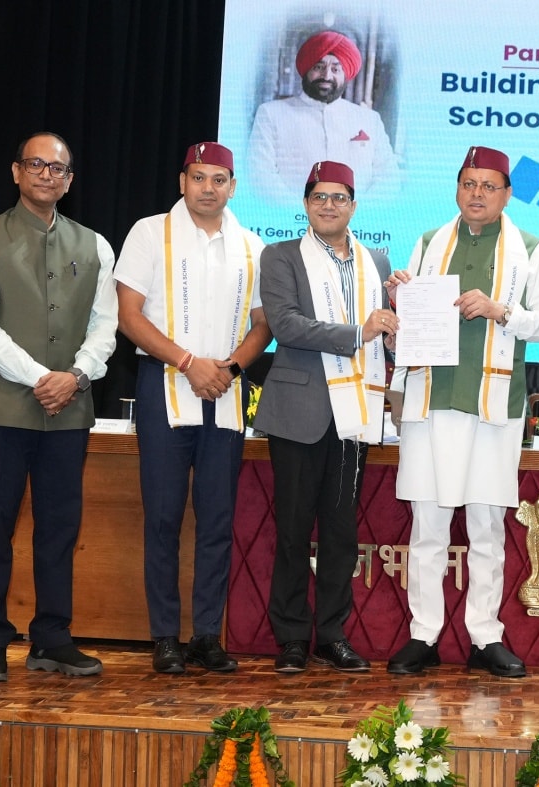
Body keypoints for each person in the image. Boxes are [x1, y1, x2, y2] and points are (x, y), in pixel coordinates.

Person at [0, 132, 118, 681]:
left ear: (69, 181)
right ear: (16, 172)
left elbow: (106, 326)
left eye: (57, 168)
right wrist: (42, 377)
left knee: (59, 530)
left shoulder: (95, 245)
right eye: (36, 164)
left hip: (69, 410)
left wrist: (75, 376)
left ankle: (52, 639)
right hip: (3, 409)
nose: (47, 174)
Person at [386, 145, 539, 678]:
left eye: (488, 186)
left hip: (492, 406)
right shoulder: (427, 243)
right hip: (432, 400)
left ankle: (485, 636)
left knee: (486, 527)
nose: (477, 194)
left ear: (507, 194)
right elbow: (410, 322)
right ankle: (424, 634)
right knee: (428, 527)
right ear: (456, 189)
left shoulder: (532, 250)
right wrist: (399, 303)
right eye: (468, 184)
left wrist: (500, 310)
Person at [115, 142, 271, 675]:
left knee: (217, 518)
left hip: (225, 392)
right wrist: (188, 362)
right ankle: (165, 636)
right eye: (199, 177)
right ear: (182, 181)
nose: (208, 187)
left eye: (219, 179)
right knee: (163, 516)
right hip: (164, 386)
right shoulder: (149, 232)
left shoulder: (251, 245)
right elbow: (129, 316)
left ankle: (207, 635)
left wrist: (229, 367)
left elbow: (263, 324)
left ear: (233, 186)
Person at [255, 160, 396, 674]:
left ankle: (332, 634)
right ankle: (292, 637)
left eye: (339, 197)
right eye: (319, 197)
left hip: (354, 413)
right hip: (301, 413)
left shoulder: (377, 261)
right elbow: (286, 326)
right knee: (293, 531)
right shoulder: (280, 256)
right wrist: (361, 332)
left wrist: (401, 324)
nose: (329, 205)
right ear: (306, 204)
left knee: (340, 533)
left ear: (354, 206)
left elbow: (386, 333)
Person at [248, 30, 401, 203]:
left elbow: (389, 178)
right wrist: (304, 212)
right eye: (318, 67)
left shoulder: (369, 120)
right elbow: (260, 176)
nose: (327, 76)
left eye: (335, 69)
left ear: (345, 75)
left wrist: (354, 212)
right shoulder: (271, 114)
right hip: (289, 217)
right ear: (306, 70)